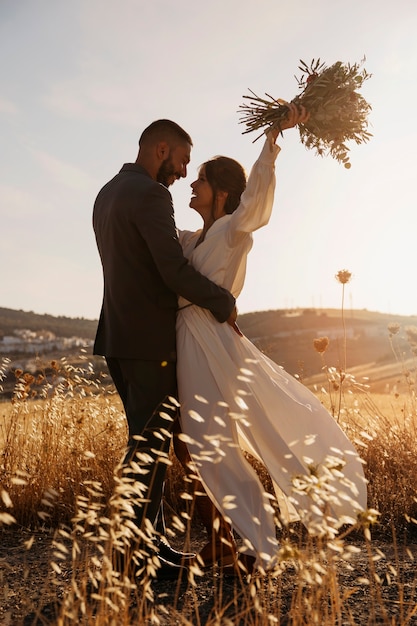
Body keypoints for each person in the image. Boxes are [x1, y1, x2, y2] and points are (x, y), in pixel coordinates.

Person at [174, 104, 368, 575]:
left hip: (209, 342)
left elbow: (257, 198)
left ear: (220, 191)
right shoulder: (192, 239)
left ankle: (257, 543)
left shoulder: (234, 230)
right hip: (189, 340)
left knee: (207, 441)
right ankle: (239, 539)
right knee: (195, 443)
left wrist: (272, 140)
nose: (191, 186)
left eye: (199, 180)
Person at [92, 119, 238, 580]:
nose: (182, 172)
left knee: (145, 443)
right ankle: (131, 561)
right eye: (181, 161)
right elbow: (172, 270)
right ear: (161, 149)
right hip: (149, 342)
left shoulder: (107, 192)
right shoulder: (152, 196)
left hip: (117, 338)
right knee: (149, 451)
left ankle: (146, 549)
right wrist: (223, 301)